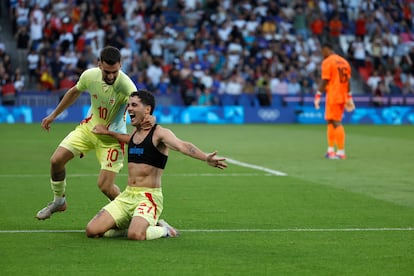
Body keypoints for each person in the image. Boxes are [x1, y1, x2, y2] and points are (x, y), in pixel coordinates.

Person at [85, 90, 227, 240]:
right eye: (129, 105)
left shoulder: (160, 133)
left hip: (148, 197)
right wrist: (107, 133)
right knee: (92, 230)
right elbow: (128, 139)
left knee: (135, 235)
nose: (129, 109)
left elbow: (182, 146)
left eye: (134, 105)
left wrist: (205, 157)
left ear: (147, 109)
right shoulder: (135, 133)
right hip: (127, 196)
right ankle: (137, 224)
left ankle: (165, 230)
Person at [36, 46, 153, 220]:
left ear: (121, 65)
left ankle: (137, 216)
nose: (111, 76)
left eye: (115, 71)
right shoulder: (89, 76)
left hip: (111, 139)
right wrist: (53, 115)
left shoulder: (127, 86)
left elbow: (139, 107)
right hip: (89, 129)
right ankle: (59, 201)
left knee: (105, 186)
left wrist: (148, 118)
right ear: (99, 65)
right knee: (56, 160)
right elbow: (74, 92)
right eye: (107, 72)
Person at [314, 43, 355, 160]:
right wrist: (349, 96)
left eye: (322, 52)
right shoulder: (344, 62)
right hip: (342, 95)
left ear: (326, 49)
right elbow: (348, 81)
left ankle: (341, 152)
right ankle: (331, 151)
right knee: (331, 121)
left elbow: (325, 80)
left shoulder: (328, 61)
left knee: (336, 122)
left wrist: (318, 94)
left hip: (334, 94)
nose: (322, 54)